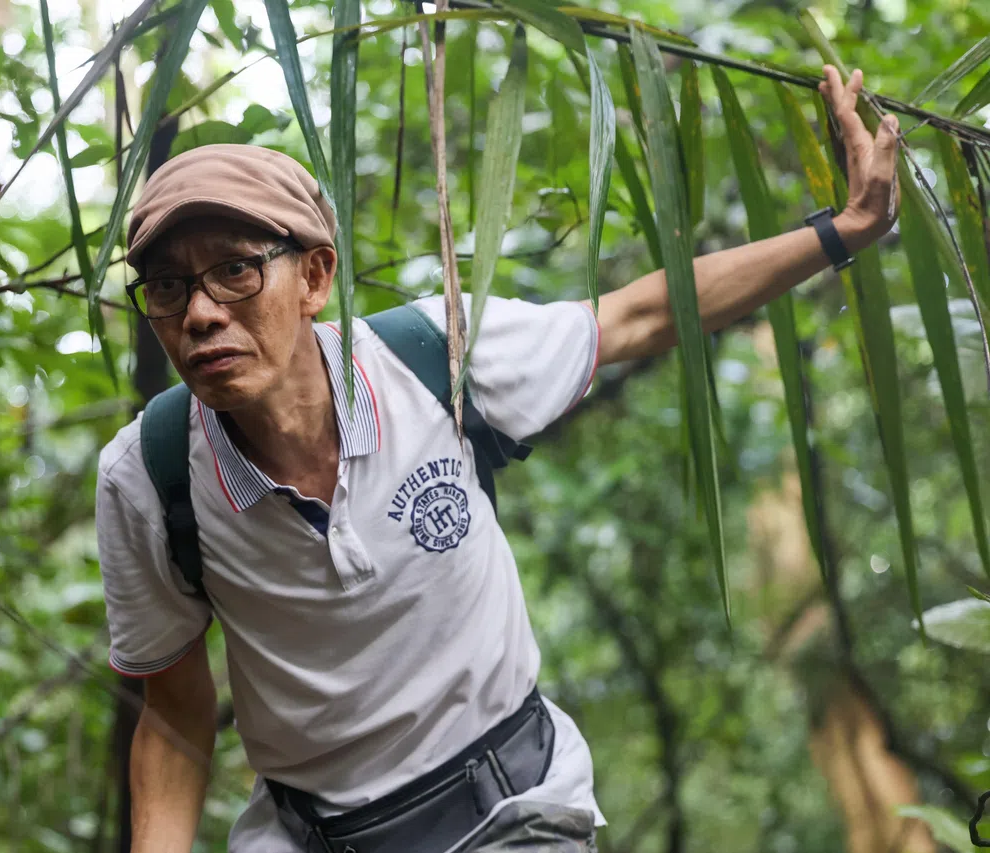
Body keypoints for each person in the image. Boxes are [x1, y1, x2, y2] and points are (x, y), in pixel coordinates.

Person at [95, 65, 899, 853]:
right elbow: (172, 712)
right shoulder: (150, 476)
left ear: (314, 275)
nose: (199, 313)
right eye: (166, 287)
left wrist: (846, 228)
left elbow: (639, 316)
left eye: (234, 269)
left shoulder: (435, 356)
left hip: (514, 809)